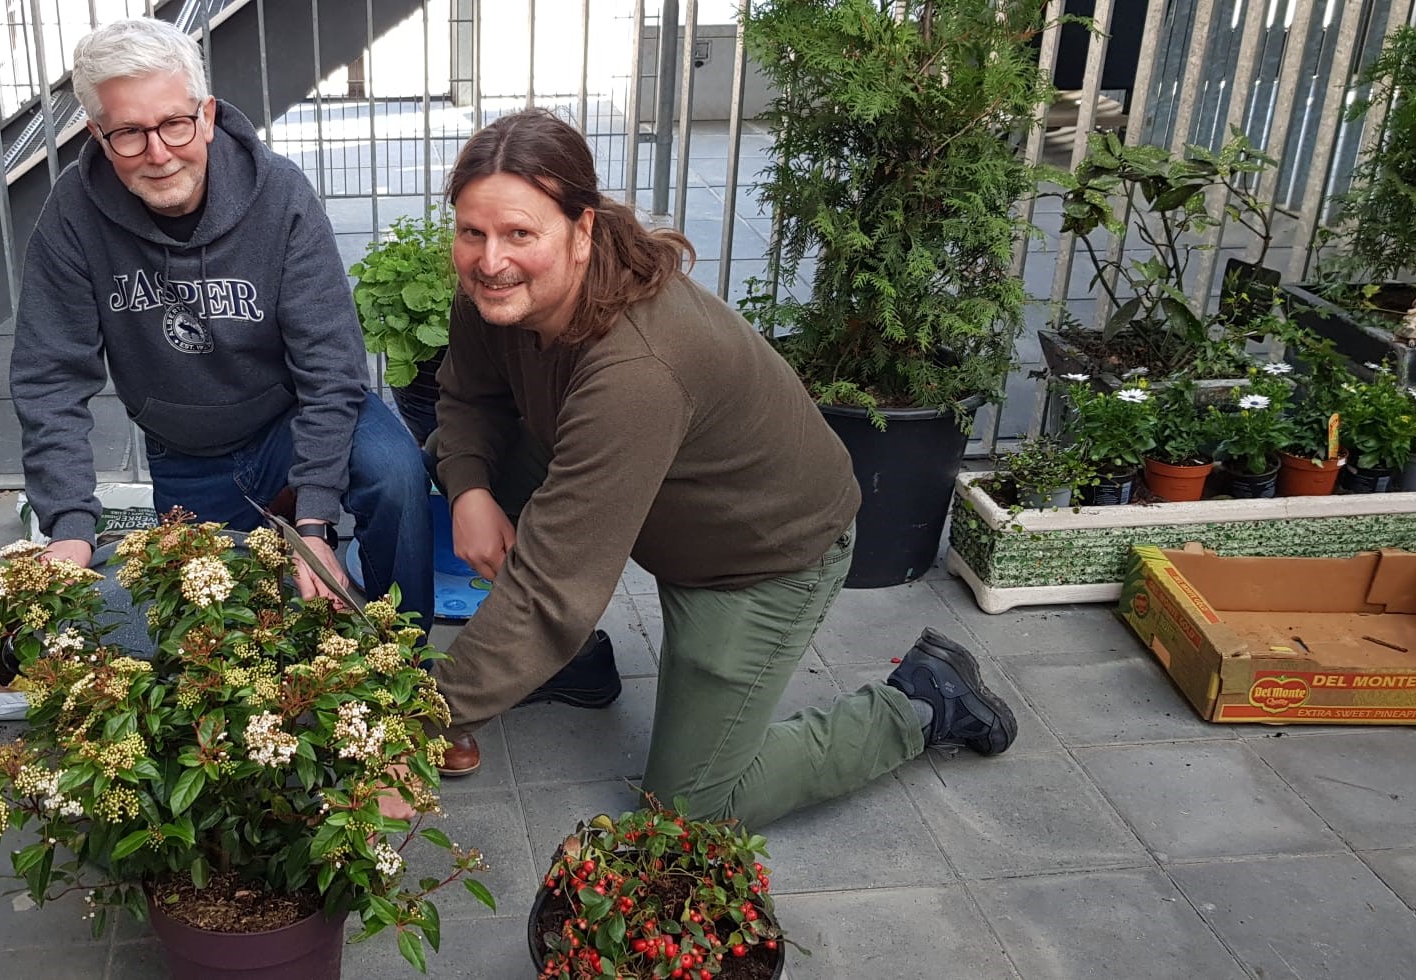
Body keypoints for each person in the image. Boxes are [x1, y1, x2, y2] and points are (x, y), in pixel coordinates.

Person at [414, 109, 1017, 827]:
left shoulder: (636, 369)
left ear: (582, 231)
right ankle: (566, 664)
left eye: (520, 234)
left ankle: (925, 700)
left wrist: (414, 726)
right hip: (653, 494)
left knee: (692, 805)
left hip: (755, 554)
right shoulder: (497, 290)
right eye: (471, 232)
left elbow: (553, 587)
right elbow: (469, 395)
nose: (490, 259)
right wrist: (474, 489)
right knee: (455, 462)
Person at [10, 17, 431, 630]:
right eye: (129, 132)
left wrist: (313, 520)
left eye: (175, 124)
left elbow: (330, 363)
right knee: (215, 641)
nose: (157, 154)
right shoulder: (74, 214)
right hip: (187, 452)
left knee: (395, 471)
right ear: (99, 135)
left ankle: (412, 668)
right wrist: (70, 528)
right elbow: (49, 377)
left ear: (205, 115)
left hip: (289, 422)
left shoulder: (280, 195)